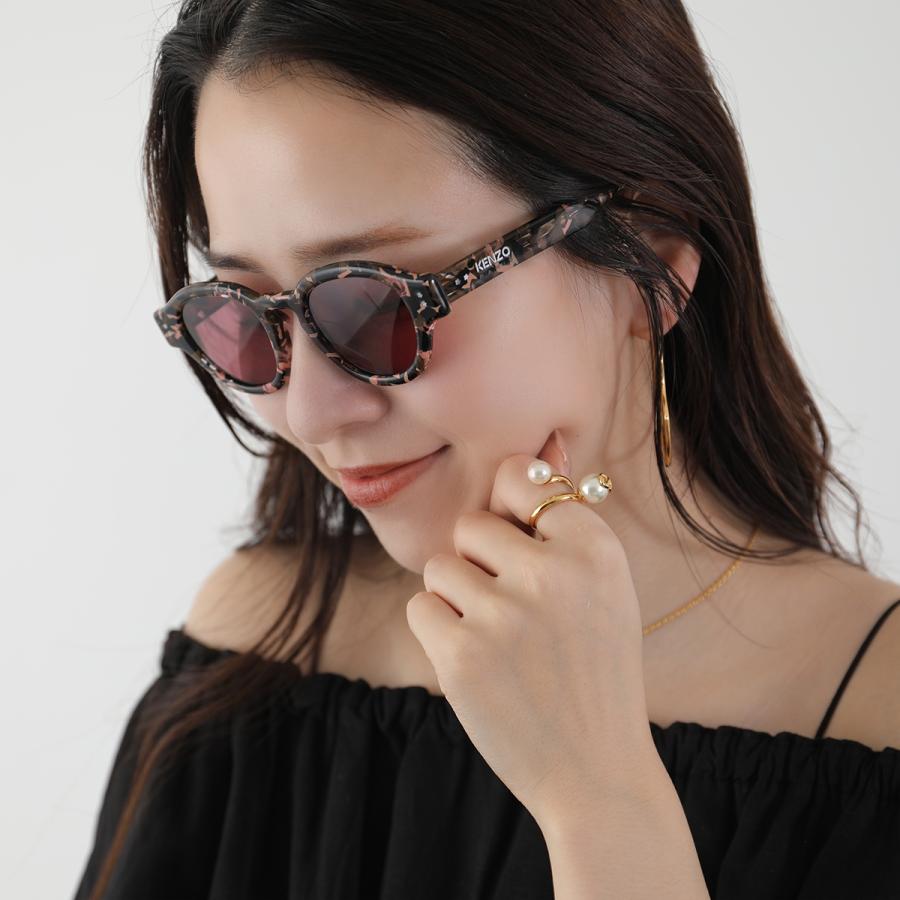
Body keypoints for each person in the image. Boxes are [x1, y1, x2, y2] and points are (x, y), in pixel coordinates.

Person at [74, 1, 900, 898]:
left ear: (649, 264)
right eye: (240, 313)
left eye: (375, 305)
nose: (308, 413)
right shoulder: (252, 655)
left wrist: (600, 801)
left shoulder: (873, 706)